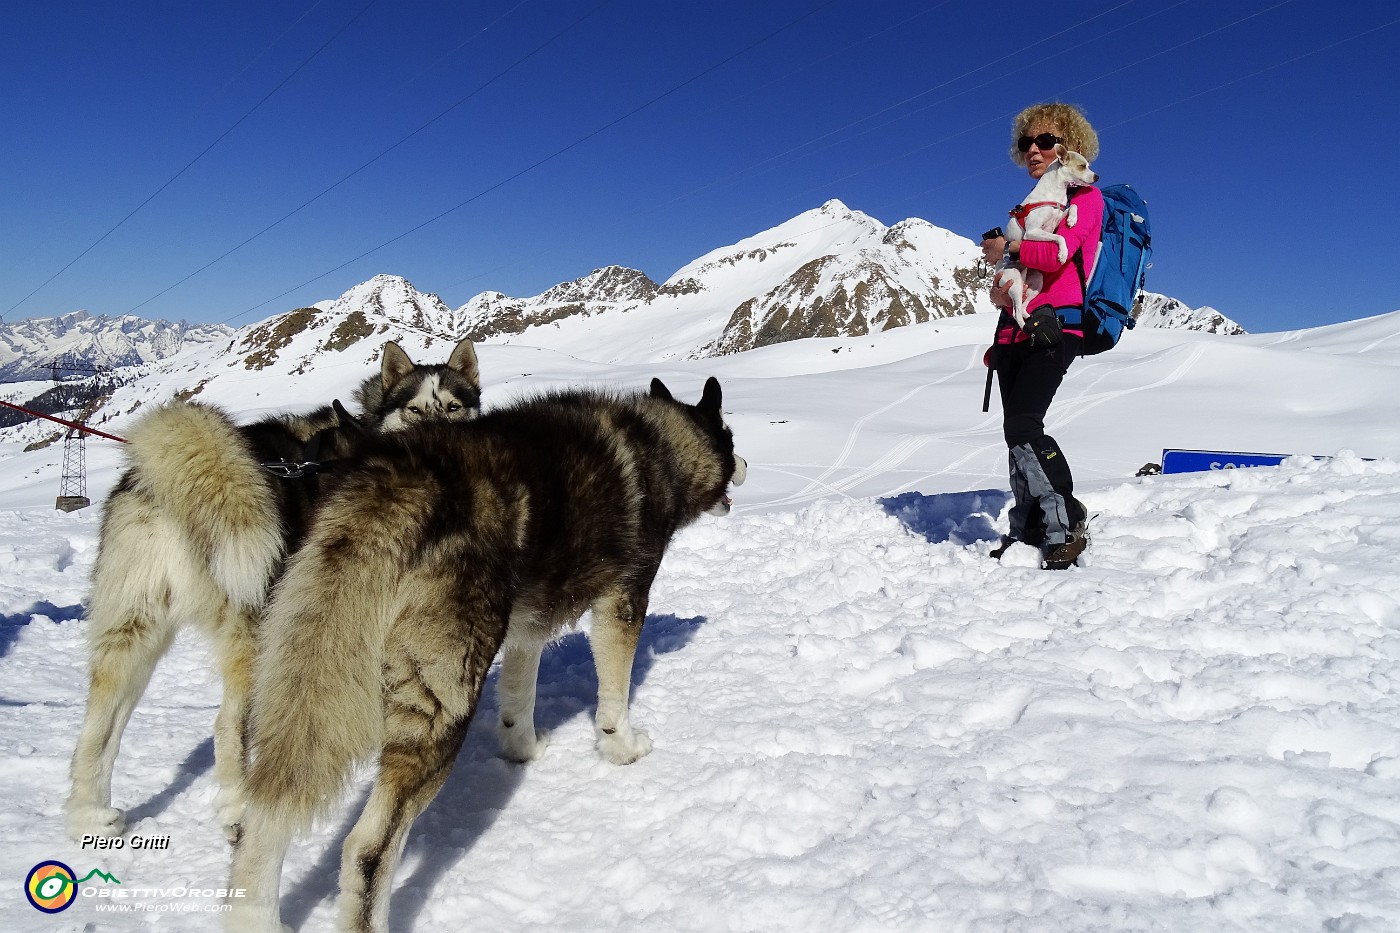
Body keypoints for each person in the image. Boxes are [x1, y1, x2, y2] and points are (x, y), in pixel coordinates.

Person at [980, 102, 1102, 570]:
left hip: (1057, 327)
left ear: (1069, 147)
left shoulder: (1085, 200)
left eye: (1046, 141)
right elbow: (1026, 270)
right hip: (1016, 331)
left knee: (1024, 425)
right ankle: (1031, 524)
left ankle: (1066, 520)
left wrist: (1007, 246)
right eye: (1026, 142)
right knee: (1016, 435)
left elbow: (1056, 258)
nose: (1033, 149)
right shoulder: (1033, 204)